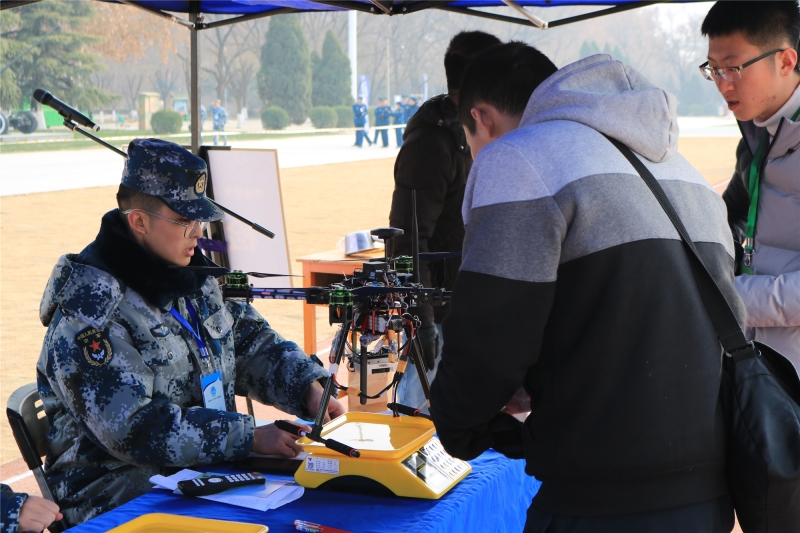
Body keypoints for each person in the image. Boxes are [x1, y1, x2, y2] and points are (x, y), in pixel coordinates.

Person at [430, 43, 745, 532]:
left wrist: (455, 421)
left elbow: (488, 338)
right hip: (707, 493)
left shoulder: (517, 160)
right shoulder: (690, 178)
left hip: (599, 499)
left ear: (481, 119)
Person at [36, 138, 345, 526]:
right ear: (139, 222)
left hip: (202, 472)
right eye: (185, 221)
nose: (198, 232)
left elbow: (249, 342)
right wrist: (247, 437)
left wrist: (307, 388)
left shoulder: (189, 275)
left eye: (200, 218)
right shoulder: (91, 312)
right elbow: (133, 429)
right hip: (116, 496)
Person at [389, 31, 501, 413]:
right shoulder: (431, 144)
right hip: (437, 319)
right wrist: (420, 321)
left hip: (469, 309)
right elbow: (406, 241)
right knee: (425, 436)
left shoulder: (479, 132)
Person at [700, 1, 800, 369]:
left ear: (786, 61)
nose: (723, 83)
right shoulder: (758, 135)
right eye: (714, 69)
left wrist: (728, 296)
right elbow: (731, 218)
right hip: (762, 356)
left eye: (735, 68)